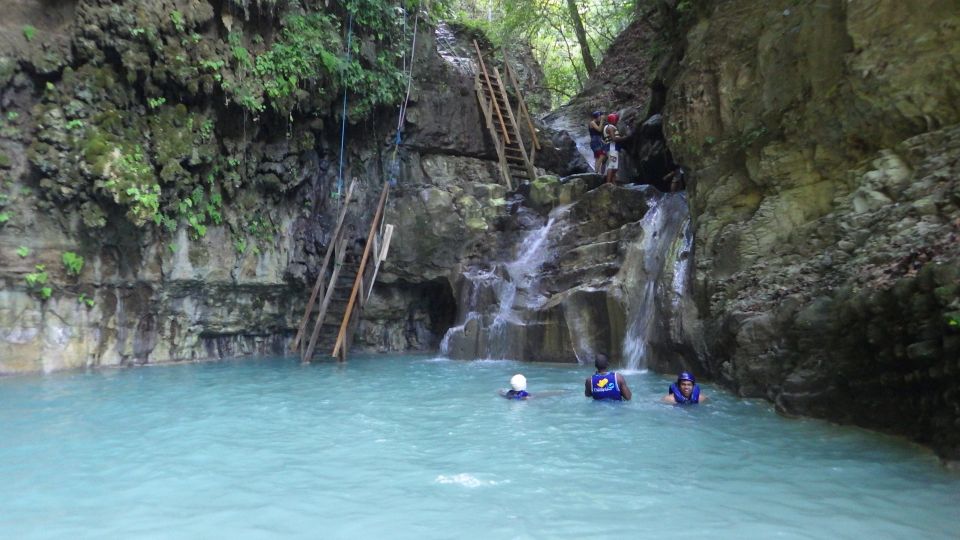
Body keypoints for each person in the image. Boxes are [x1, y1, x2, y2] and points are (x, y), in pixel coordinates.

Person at [603, 113, 627, 185]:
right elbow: (613, 138)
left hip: (612, 148)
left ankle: (613, 182)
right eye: (616, 119)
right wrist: (624, 138)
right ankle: (608, 183)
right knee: (612, 166)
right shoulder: (610, 127)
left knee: (615, 167)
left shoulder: (608, 126)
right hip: (612, 147)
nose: (616, 121)